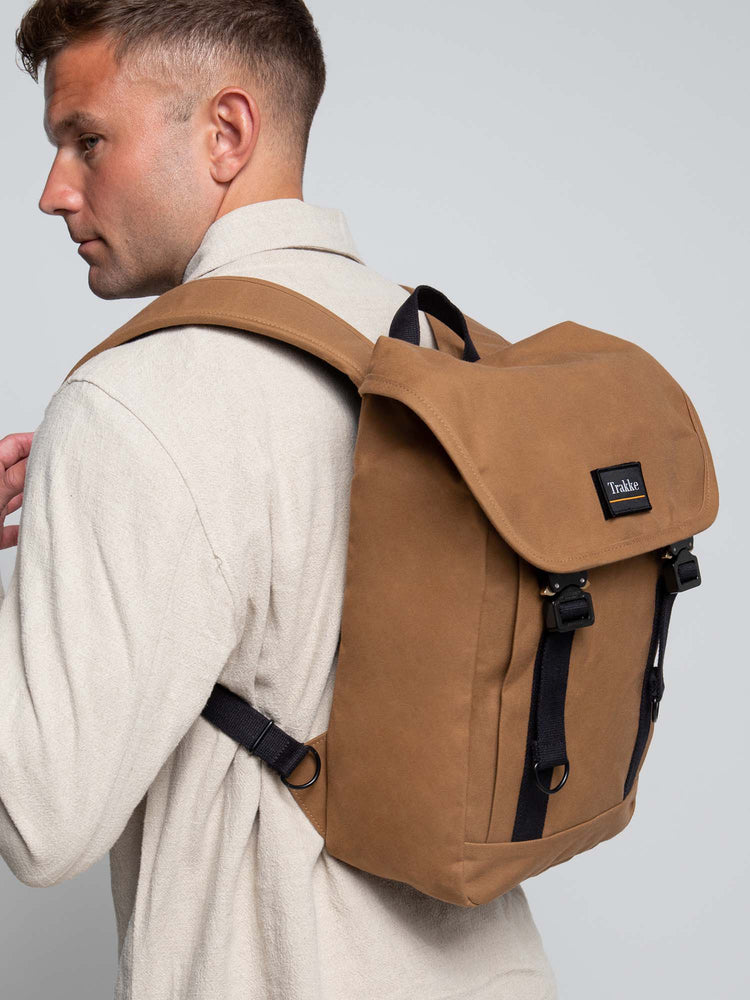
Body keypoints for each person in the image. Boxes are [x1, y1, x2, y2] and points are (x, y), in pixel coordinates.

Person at [2, 2, 558, 997]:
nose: (54, 192)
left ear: (227, 132)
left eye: (86, 140)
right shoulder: (439, 349)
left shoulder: (134, 399)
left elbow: (39, 821)